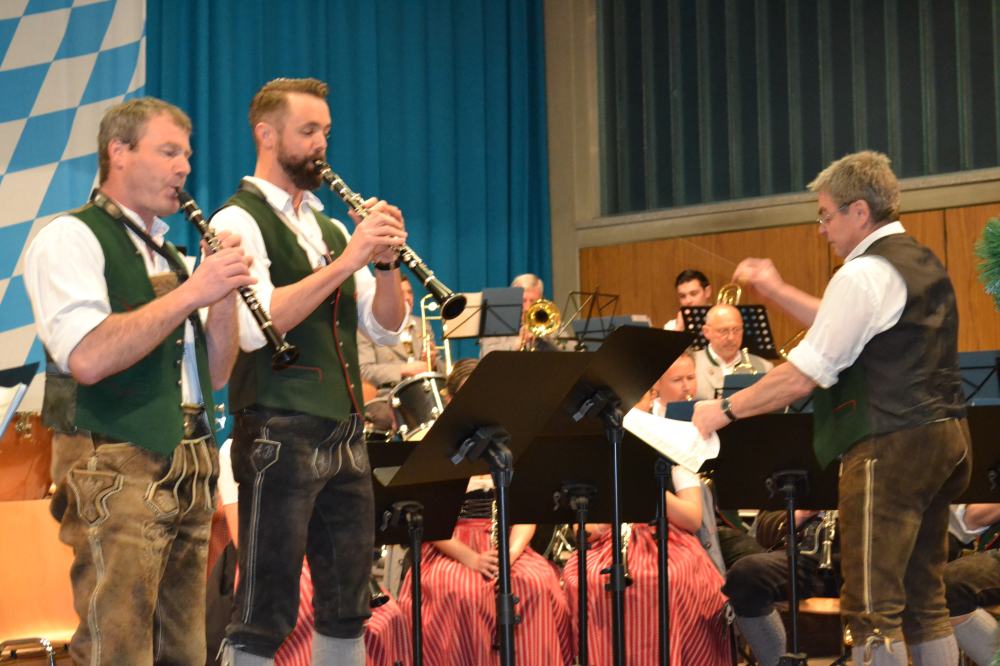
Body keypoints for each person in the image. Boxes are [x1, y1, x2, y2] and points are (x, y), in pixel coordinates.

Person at [693, 150, 971, 666]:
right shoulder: (917, 260)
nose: (821, 228)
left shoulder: (862, 273)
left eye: (825, 214)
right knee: (924, 601)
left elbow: (802, 376)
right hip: (946, 438)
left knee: (872, 608)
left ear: (858, 212)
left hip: (891, 444)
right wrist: (774, 289)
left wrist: (722, 411)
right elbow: (845, 325)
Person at [23, 97, 253, 664]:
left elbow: (217, 372)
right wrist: (194, 291)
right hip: (114, 462)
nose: (184, 168)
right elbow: (88, 358)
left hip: (189, 459)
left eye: (187, 155)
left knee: (184, 652)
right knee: (117, 648)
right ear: (118, 152)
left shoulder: (171, 254)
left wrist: (221, 292)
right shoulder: (70, 239)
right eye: (168, 151)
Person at [209, 77, 408, 665]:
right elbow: (257, 325)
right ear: (266, 135)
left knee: (348, 603)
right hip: (277, 429)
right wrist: (349, 260)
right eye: (308, 131)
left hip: (344, 431)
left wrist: (388, 262)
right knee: (264, 609)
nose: (322, 144)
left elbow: (384, 327)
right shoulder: (236, 221)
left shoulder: (330, 226)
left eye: (325, 131)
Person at [395, 358, 574, 665]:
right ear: (450, 401)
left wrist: (510, 554)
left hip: (503, 541)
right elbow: (427, 520)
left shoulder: (510, 442)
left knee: (537, 581)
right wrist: (472, 559)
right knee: (460, 590)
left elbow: (525, 512)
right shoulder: (434, 445)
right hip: (452, 543)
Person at [562, 352, 732, 665]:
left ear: (651, 400)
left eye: (640, 395)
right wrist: (591, 525)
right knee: (582, 578)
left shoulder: (671, 440)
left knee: (660, 580)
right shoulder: (599, 446)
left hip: (666, 541)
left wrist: (642, 484)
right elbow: (578, 527)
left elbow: (693, 518)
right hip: (612, 541)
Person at [215, 439, 412, 666]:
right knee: (308, 607)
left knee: (387, 616)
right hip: (270, 560)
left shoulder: (321, 439)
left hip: (316, 556)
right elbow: (243, 537)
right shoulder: (233, 449)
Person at [358, 273, 444, 431]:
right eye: (400, 293)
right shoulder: (367, 328)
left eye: (410, 292)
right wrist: (405, 370)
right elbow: (364, 370)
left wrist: (432, 363)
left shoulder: (421, 323)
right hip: (388, 397)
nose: (407, 297)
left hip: (424, 394)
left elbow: (440, 367)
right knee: (384, 417)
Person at [692, 303, 773, 400]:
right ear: (706, 332)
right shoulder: (691, 364)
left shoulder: (764, 367)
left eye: (736, 330)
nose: (731, 337)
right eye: (723, 331)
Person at [479, 273, 545, 356]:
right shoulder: (496, 324)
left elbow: (565, 351)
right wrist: (516, 344)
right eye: (524, 301)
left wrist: (543, 338)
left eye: (533, 301)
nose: (528, 308)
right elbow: (487, 354)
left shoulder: (547, 321)